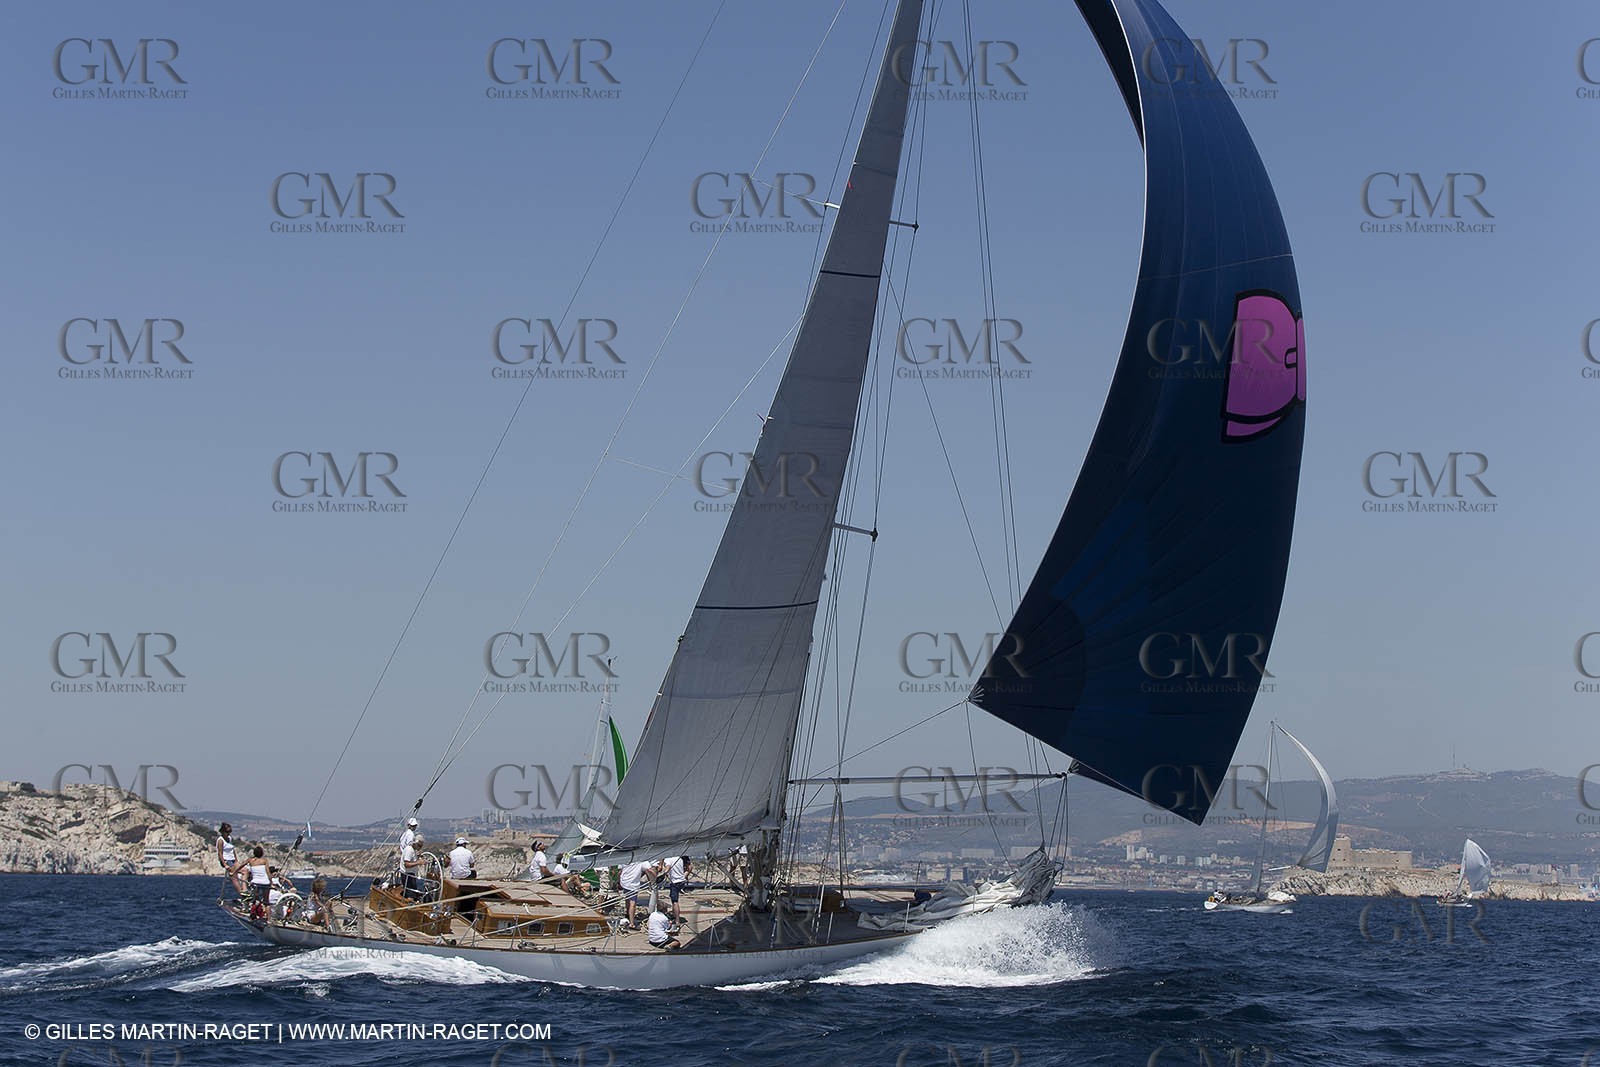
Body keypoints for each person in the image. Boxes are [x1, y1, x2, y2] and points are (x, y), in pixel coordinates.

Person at [619, 859, 648, 928]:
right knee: (633, 903)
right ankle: (632, 923)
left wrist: (618, 881)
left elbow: (620, 871)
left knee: (627, 899)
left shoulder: (625, 858)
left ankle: (628, 914)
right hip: (632, 884)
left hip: (624, 881)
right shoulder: (641, 860)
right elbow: (649, 869)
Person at [664, 854, 690, 924]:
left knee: (675, 902)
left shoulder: (668, 859)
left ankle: (677, 920)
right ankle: (674, 914)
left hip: (675, 882)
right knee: (673, 899)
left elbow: (668, 867)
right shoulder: (679, 858)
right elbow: (688, 868)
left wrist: (664, 873)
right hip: (681, 881)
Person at [215, 823, 240, 898]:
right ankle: (242, 893)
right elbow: (220, 853)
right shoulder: (220, 840)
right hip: (226, 860)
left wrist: (236, 860)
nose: (228, 834)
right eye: (227, 832)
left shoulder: (229, 838)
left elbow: (232, 850)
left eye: (229, 832)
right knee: (234, 876)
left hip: (232, 859)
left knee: (245, 871)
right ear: (222, 832)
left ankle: (245, 890)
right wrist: (225, 864)